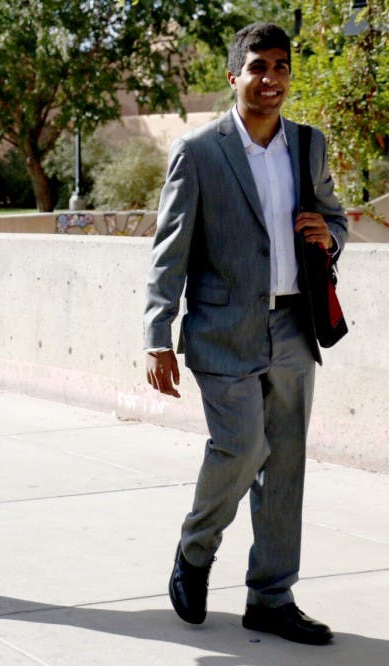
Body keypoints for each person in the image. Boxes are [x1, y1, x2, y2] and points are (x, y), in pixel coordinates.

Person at [144, 23, 347, 645]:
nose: (272, 79)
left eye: (282, 67)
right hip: (222, 326)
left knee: (284, 466)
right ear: (234, 76)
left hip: (293, 323)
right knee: (241, 448)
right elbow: (169, 250)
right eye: (259, 67)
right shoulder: (199, 151)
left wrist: (327, 233)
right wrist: (157, 333)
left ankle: (272, 598)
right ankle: (196, 550)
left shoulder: (308, 144)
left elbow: (336, 216)